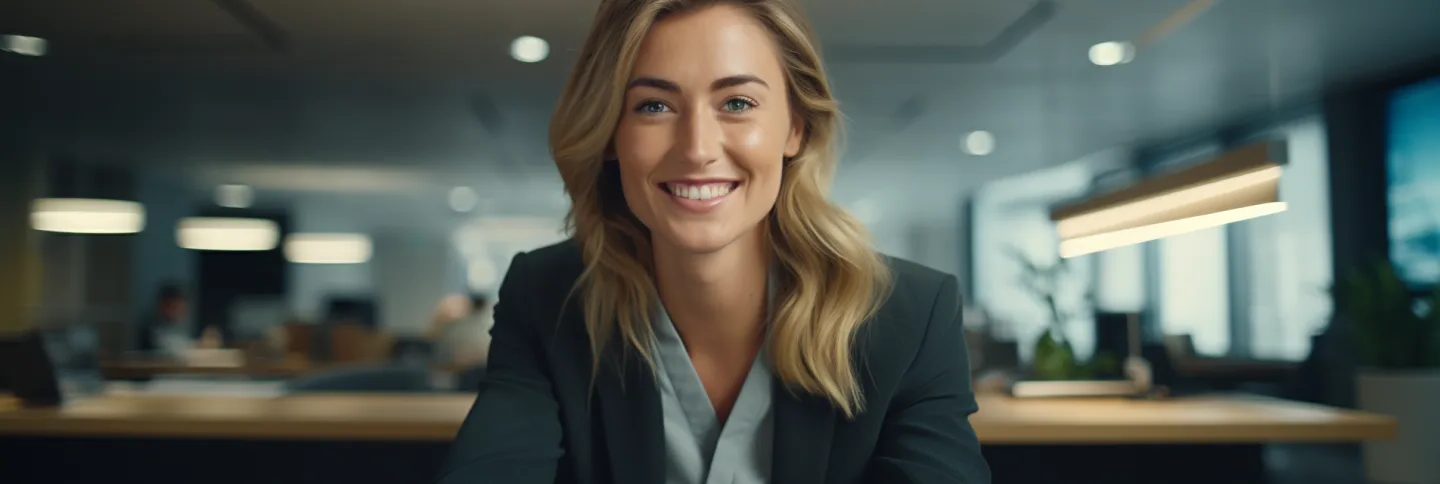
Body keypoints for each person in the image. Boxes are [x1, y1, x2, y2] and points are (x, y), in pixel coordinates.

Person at [438, 0, 989, 483]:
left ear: (795, 127)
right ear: (611, 133)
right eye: (654, 106)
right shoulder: (547, 297)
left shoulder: (910, 314)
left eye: (738, 103)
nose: (698, 148)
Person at [135, 284, 194, 359]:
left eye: (182, 308)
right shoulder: (152, 330)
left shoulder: (179, 328)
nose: (180, 312)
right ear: (163, 306)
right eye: (176, 307)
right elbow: (173, 351)